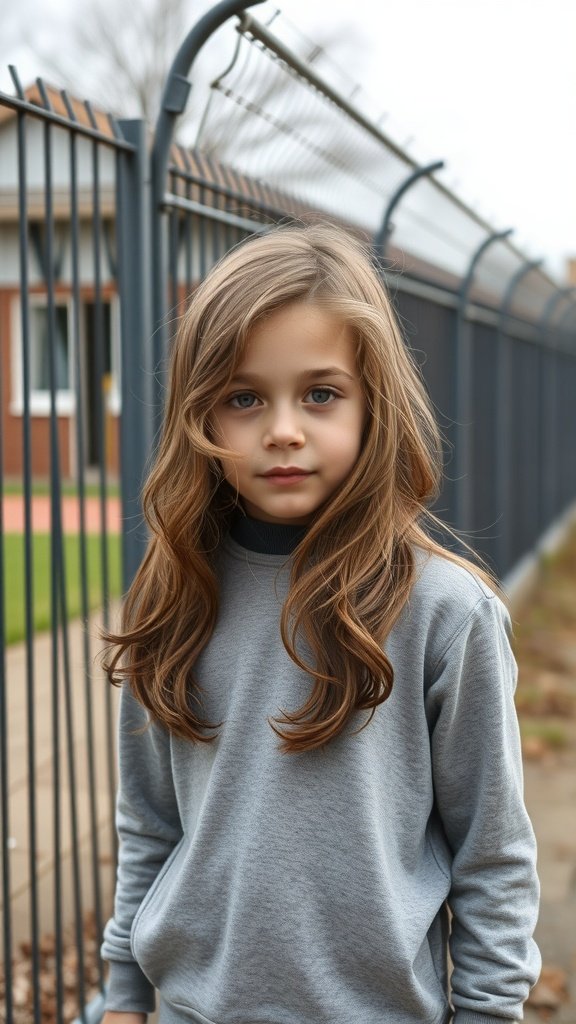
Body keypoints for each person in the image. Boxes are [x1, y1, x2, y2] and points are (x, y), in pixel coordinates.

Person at [100, 222, 540, 1024]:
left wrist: (487, 1011)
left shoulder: (447, 614)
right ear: (201, 414)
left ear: (376, 404)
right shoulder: (172, 599)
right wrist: (124, 999)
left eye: (321, 393)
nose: (282, 430)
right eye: (243, 397)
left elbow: (495, 857)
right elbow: (150, 827)